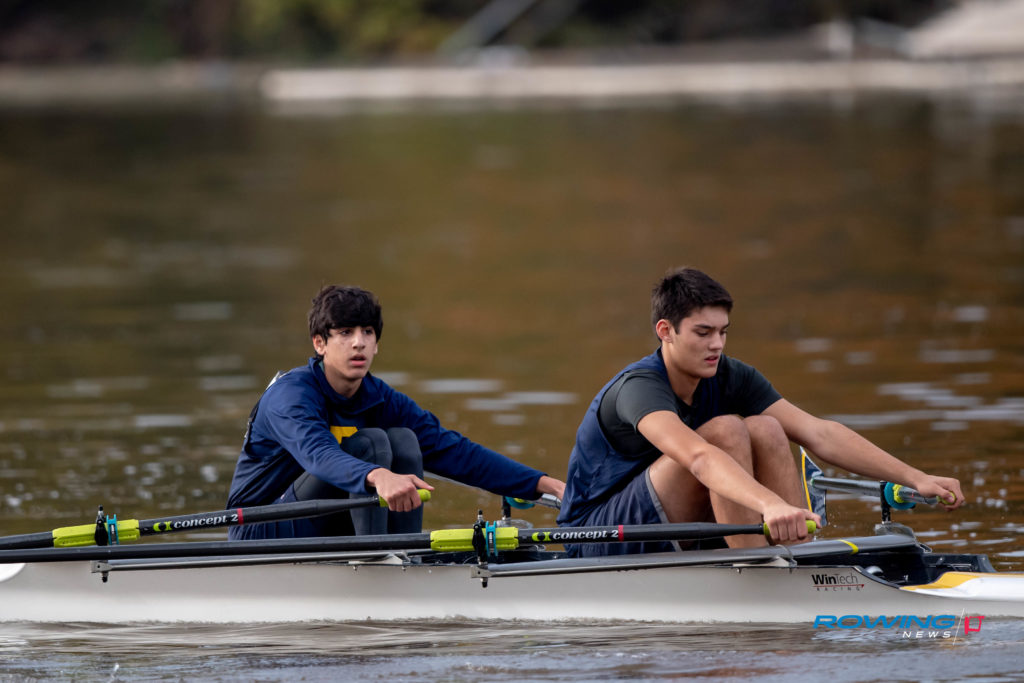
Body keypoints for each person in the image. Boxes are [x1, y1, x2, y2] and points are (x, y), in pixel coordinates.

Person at [557, 267, 963, 557]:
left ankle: (795, 555)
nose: (717, 345)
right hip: (597, 537)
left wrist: (916, 477)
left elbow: (819, 433)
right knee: (725, 432)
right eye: (703, 333)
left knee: (767, 427)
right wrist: (770, 504)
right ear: (666, 331)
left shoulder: (730, 375)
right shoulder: (638, 389)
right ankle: (757, 566)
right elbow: (699, 458)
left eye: (723, 332)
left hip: (669, 523)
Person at [227, 284, 565, 539]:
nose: (358, 342)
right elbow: (319, 454)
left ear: (377, 344)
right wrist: (377, 475)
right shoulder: (291, 397)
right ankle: (376, 561)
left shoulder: (379, 397)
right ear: (320, 344)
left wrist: (544, 484)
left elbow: (453, 451)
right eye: (345, 333)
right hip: (261, 527)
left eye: (367, 332)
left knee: (404, 440)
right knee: (371, 445)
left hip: (321, 521)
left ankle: (401, 555)